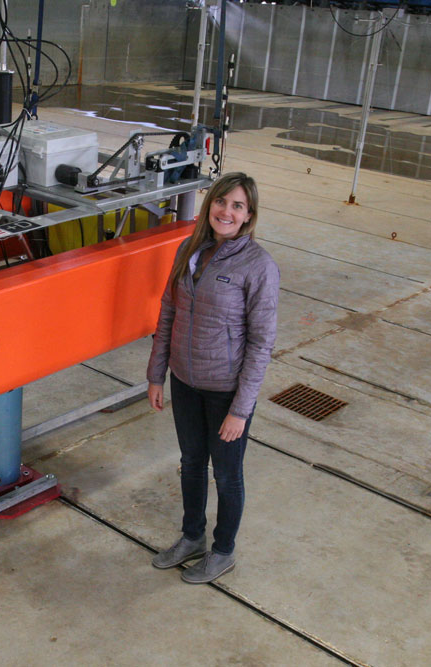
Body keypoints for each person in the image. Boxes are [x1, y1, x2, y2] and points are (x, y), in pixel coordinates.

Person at [146, 171, 279, 583]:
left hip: (226, 392)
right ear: (210, 206)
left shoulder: (258, 267)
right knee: (190, 463)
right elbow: (168, 313)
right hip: (185, 381)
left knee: (227, 474)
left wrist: (241, 411)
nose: (226, 211)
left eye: (237, 205)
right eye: (221, 202)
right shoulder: (189, 249)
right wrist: (157, 373)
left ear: (248, 215)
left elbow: (261, 344)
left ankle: (223, 551)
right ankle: (192, 538)